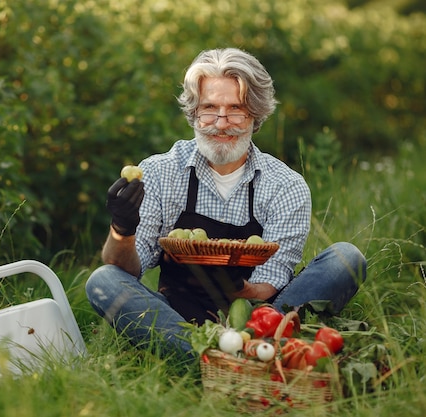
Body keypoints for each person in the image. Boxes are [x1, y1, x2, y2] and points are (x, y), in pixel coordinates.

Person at [85, 47, 366, 359]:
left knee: (346, 259)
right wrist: (122, 229)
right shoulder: (159, 172)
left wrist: (235, 285)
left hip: (258, 317)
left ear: (255, 115)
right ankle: (220, 358)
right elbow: (126, 271)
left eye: (235, 109)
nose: (221, 123)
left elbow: (269, 285)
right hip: (178, 316)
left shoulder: (285, 186)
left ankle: (241, 350)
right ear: (194, 112)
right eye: (209, 108)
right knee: (104, 280)